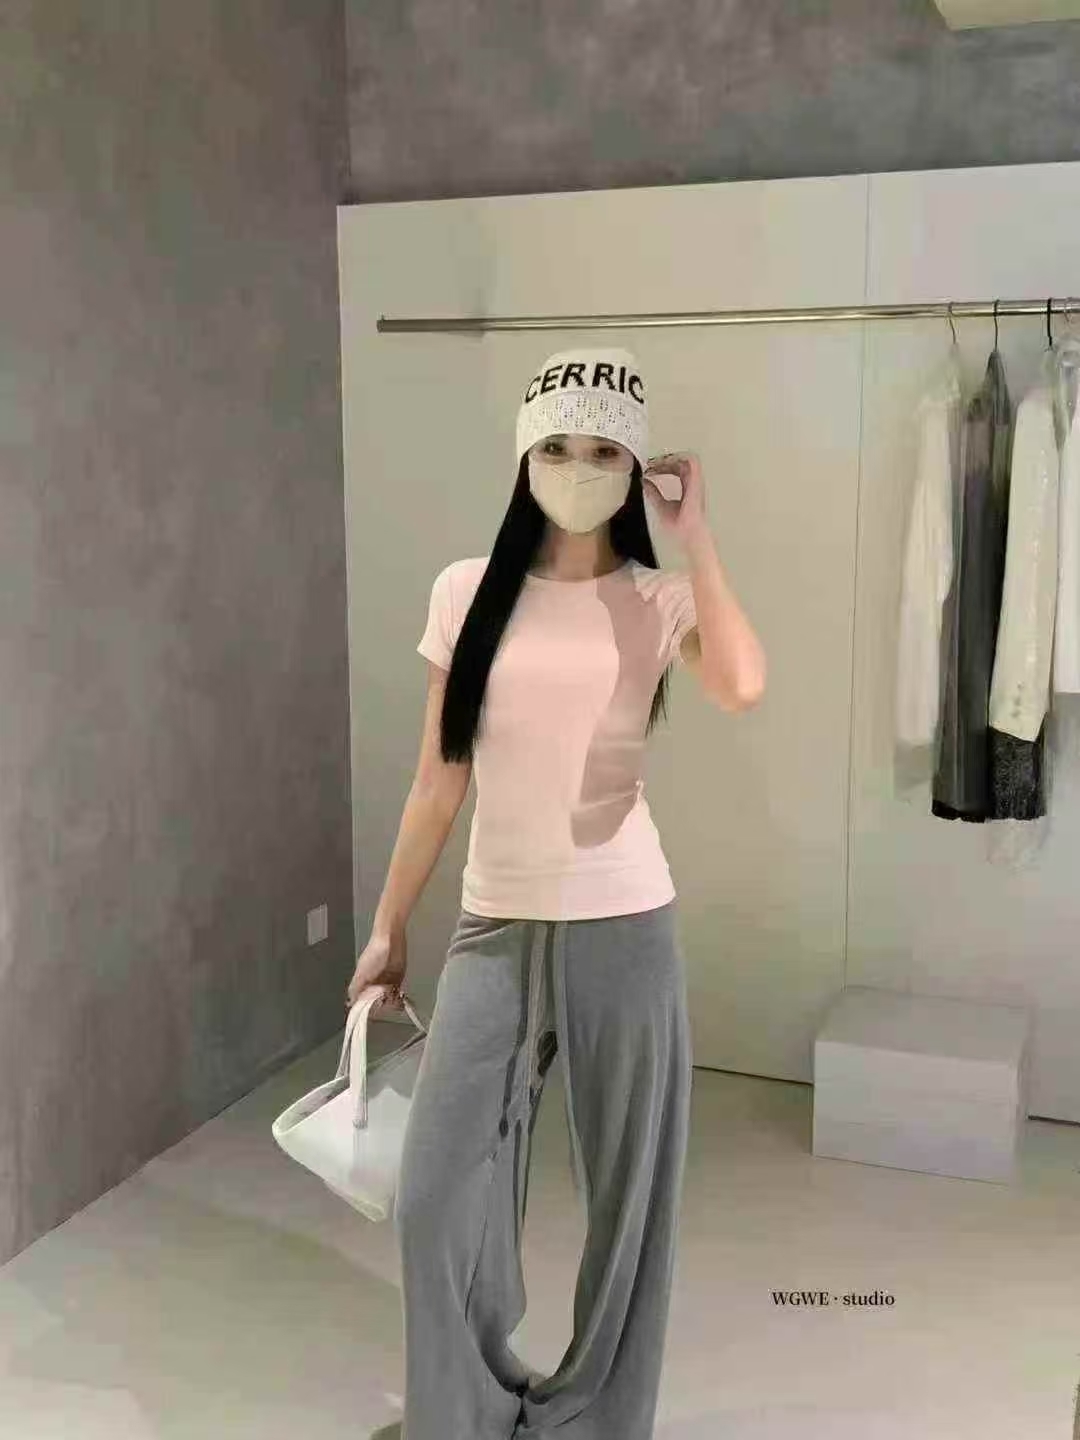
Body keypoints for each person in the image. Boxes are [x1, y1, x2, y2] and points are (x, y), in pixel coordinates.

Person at [348, 348, 766, 1440]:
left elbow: (743, 682)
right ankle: (466, 1412)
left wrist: (697, 536)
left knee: (632, 1205)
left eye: (603, 451)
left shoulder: (656, 597)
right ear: (525, 455)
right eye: (559, 447)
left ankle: (593, 1420)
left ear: (633, 468)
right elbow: (439, 778)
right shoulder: (465, 592)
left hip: (625, 922)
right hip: (493, 923)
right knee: (435, 1197)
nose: (579, 468)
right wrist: (389, 925)